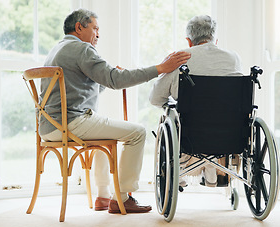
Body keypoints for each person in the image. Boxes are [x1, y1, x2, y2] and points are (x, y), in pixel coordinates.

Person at [39, 8, 191, 214]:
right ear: (79, 27)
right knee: (137, 133)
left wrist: (110, 77)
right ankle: (122, 197)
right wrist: (160, 69)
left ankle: (103, 196)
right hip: (72, 122)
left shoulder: (57, 50)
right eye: (95, 28)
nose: (98, 35)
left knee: (104, 133)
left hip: (49, 127)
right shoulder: (82, 49)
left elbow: (90, 85)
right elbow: (116, 81)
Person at [149, 15, 243, 187]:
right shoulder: (233, 58)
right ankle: (211, 166)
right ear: (215, 40)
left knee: (173, 113)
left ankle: (183, 170)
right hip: (230, 134)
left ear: (188, 41)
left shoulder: (179, 58)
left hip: (191, 134)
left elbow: (155, 99)